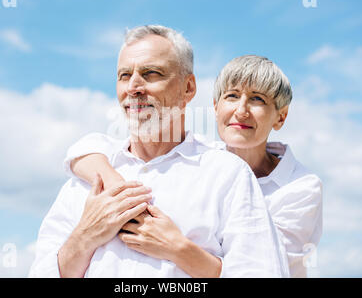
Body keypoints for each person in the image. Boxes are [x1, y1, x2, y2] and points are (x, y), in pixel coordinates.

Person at [29, 25, 289, 278]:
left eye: (151, 73)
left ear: (188, 88)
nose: (134, 87)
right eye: (124, 76)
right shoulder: (84, 184)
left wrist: (181, 251)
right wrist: (84, 237)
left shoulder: (227, 175)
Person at [65, 55, 322, 278]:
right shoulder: (201, 158)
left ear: (281, 116)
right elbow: (88, 147)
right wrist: (116, 187)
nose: (241, 111)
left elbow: (262, 266)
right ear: (216, 106)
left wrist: (177, 247)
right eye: (231, 96)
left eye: (257, 99)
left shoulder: (300, 187)